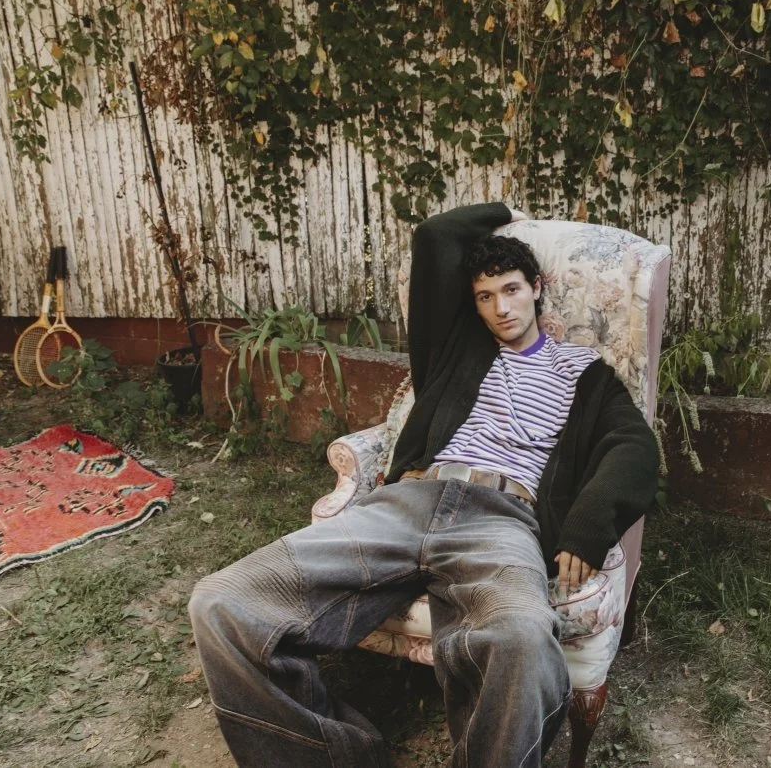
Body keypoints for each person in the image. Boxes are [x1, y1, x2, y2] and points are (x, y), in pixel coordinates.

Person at [189, 202, 659, 768]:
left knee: (523, 644)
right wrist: (505, 212)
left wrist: (588, 524)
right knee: (222, 602)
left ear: (537, 288)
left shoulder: (583, 371)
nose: (501, 308)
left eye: (511, 290)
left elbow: (634, 447)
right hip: (406, 502)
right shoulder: (457, 349)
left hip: (502, 519)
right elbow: (437, 236)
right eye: (486, 297)